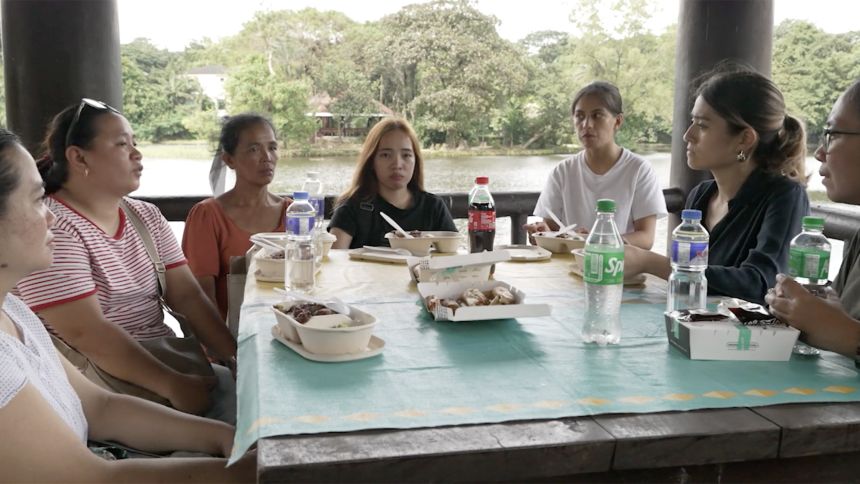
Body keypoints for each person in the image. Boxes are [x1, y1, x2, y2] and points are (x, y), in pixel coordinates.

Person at [0, 128, 254, 481]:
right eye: (37, 199)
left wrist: (222, 437)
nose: (51, 216)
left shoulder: (11, 308)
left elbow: (100, 407)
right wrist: (244, 473)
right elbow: (91, 477)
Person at [14, 99, 237, 420]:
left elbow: (187, 296)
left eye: (135, 142)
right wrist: (172, 385)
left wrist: (234, 358)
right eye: (121, 144)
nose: (137, 153)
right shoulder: (54, 227)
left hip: (166, 360)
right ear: (78, 157)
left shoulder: (144, 215)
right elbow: (87, 333)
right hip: (97, 383)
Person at [624, 67, 810, 304]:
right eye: (692, 122)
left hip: (750, 339)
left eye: (702, 125)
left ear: (744, 139)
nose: (688, 135)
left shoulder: (785, 196)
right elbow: (687, 283)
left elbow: (761, 284)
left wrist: (648, 262)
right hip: (698, 329)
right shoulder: (701, 195)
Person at [766, 79, 860, 358]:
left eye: (832, 134)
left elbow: (843, 332)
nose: (819, 152)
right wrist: (803, 311)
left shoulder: (783, 195)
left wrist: (844, 334)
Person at [526, 81, 667, 249]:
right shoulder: (563, 171)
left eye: (597, 116)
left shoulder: (638, 170)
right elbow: (552, 229)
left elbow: (645, 238)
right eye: (580, 116)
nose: (586, 125)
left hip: (617, 267)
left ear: (617, 121)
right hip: (570, 266)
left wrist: (597, 241)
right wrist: (542, 234)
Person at [183, 114, 290, 321]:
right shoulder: (208, 215)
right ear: (229, 160)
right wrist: (224, 350)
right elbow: (201, 296)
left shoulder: (293, 212)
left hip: (287, 328)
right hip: (231, 335)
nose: (267, 157)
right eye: (253, 149)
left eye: (272, 147)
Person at [329, 117, 456, 249]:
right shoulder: (352, 207)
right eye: (386, 155)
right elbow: (335, 263)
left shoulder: (433, 207)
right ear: (371, 161)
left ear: (416, 161)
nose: (397, 164)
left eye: (406, 155)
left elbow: (453, 263)